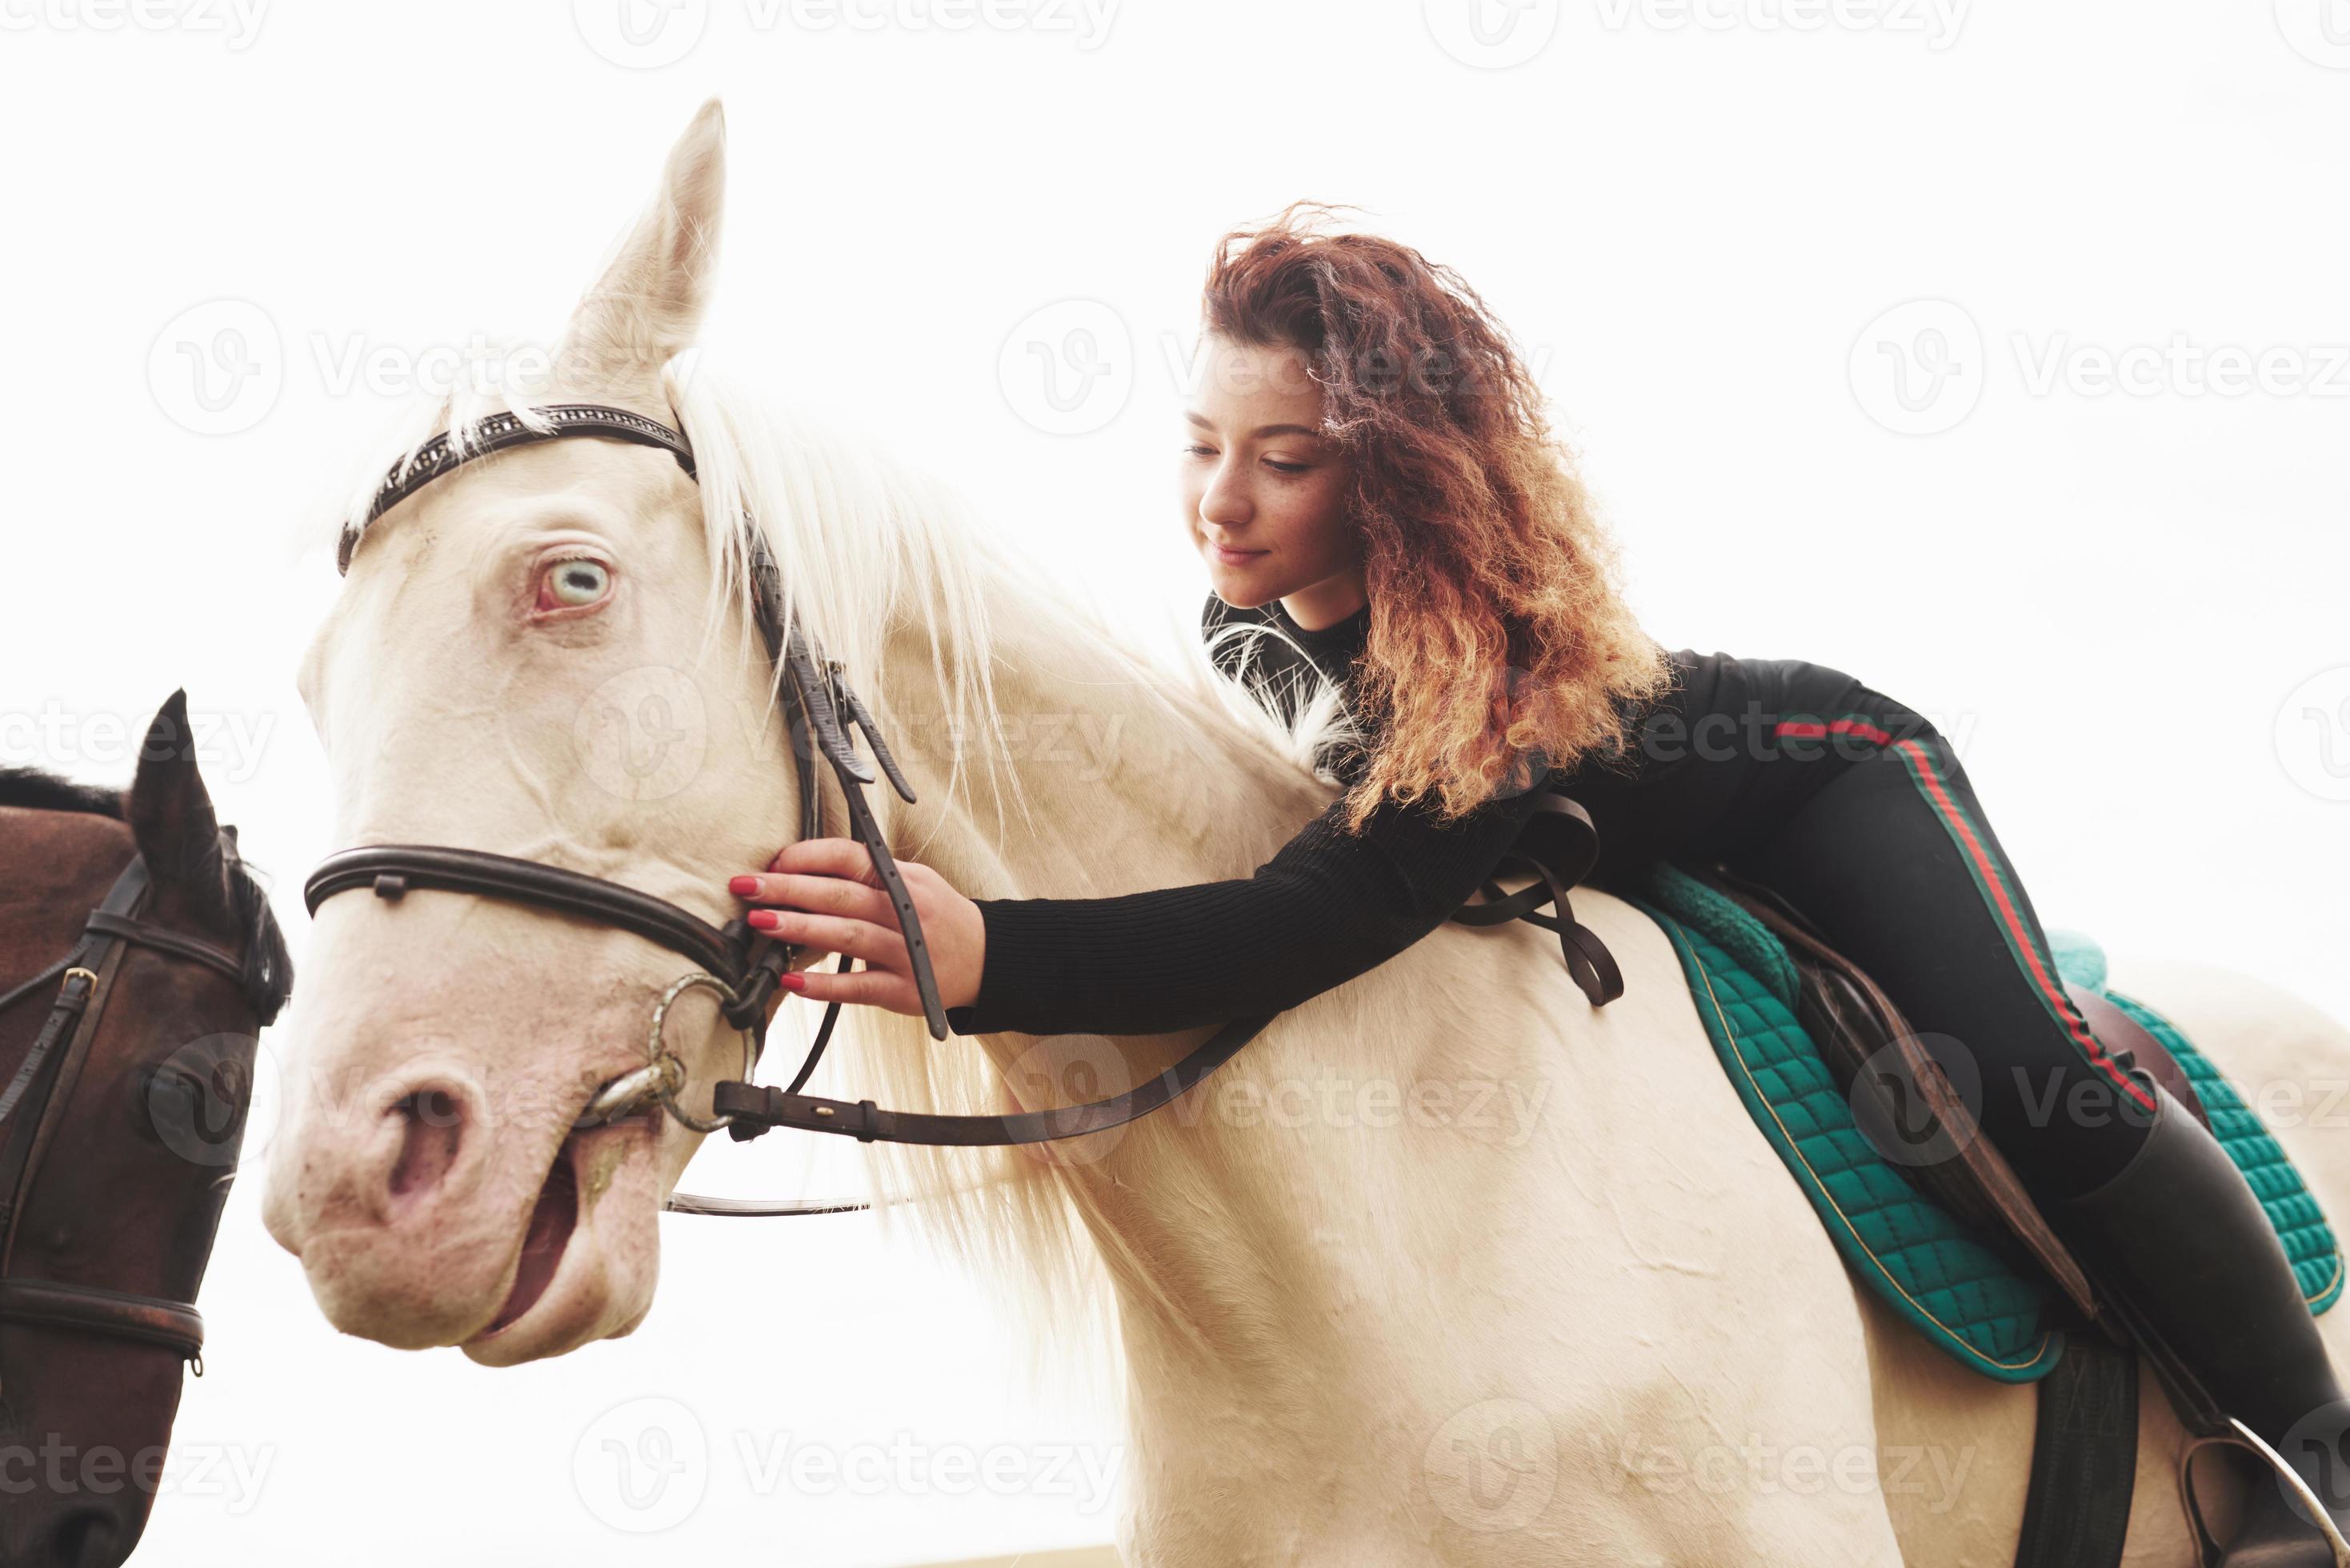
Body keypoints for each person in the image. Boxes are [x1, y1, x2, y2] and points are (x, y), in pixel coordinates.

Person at [724, 204, 2348, 1559]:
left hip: (1823, 785)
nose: (1221, 498)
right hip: (1626, 851)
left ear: (1386, 472)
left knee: (2022, 1072)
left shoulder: (1471, 672)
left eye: (1280, 459)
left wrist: (997, 953)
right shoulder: (1251, 628)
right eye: (1202, 442)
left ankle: (2304, 1447)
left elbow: (1320, 911)